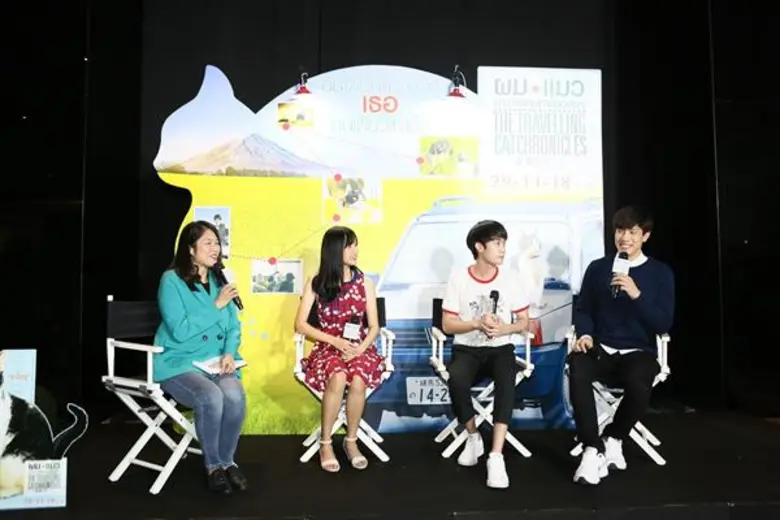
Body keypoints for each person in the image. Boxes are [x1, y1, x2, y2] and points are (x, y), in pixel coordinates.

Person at [569, 206, 674, 485]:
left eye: (632, 232)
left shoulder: (660, 273)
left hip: (638, 351)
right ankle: (592, 449)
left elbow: (663, 323)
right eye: (620, 231)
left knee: (640, 380)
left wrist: (637, 295)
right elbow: (584, 309)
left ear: (645, 236)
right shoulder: (598, 268)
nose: (624, 238)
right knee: (577, 367)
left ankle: (614, 436)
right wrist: (585, 334)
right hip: (601, 348)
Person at [153, 220, 248, 494]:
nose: (215, 248)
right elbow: (180, 331)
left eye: (217, 242)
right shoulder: (171, 281)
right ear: (190, 249)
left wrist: (229, 353)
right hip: (179, 362)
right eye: (208, 242)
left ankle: (228, 461)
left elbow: (233, 326)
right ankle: (213, 467)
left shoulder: (220, 280)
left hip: (216, 362)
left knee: (235, 395)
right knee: (211, 396)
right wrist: (216, 304)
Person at [441, 220, 530, 489]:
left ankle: (496, 455)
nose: (503, 249)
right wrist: (476, 323)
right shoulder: (458, 277)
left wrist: (504, 329)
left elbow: (524, 322)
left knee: (506, 379)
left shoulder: (511, 277)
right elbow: (448, 325)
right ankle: (473, 436)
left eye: (504, 243)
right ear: (479, 247)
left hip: (500, 348)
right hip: (467, 348)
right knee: (456, 378)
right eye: (497, 243)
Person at [295, 226, 385, 473]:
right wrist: (335, 342)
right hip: (328, 347)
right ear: (334, 250)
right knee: (337, 375)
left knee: (358, 378)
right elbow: (300, 324)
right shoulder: (316, 283)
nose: (355, 251)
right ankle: (325, 443)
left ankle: (351, 441)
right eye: (349, 246)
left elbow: (374, 326)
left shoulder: (365, 283)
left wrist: (359, 349)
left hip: (359, 347)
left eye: (355, 245)